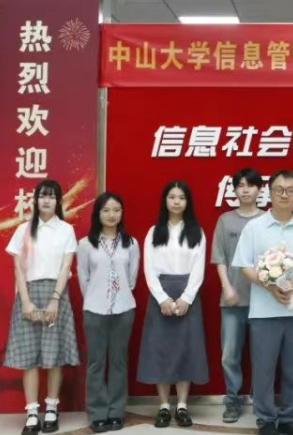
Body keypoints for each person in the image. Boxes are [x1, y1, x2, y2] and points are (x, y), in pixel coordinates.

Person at [233, 170, 293, 435]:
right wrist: (270, 286)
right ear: (269, 193)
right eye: (278, 190)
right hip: (264, 311)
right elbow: (244, 265)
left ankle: (288, 417)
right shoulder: (255, 227)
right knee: (264, 369)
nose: (284, 195)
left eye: (290, 190)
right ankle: (265, 419)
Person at [4, 180, 80, 435]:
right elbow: (18, 268)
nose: (46, 201)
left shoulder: (66, 230)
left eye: (51, 196)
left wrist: (55, 299)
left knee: (54, 354)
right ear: (35, 200)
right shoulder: (24, 230)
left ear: (58, 201)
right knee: (30, 358)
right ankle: (31, 412)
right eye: (42, 196)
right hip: (28, 293)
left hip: (56, 294)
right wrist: (25, 301)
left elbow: (66, 267)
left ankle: (51, 408)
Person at [136, 181, 208, 429]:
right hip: (161, 296)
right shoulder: (154, 232)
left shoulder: (197, 232)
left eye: (181, 197)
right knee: (161, 350)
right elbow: (148, 269)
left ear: (188, 202)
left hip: (188, 295)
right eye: (172, 197)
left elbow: (198, 269)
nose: (177, 202)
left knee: (186, 350)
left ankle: (183, 405)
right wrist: (162, 298)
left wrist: (187, 297)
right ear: (165, 201)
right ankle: (164, 405)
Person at [77, 192, 139, 434]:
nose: (111, 215)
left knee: (118, 362)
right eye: (106, 210)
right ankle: (97, 412)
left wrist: (117, 295)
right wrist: (96, 298)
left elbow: (132, 278)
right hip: (95, 310)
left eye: (116, 210)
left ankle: (116, 411)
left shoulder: (131, 243)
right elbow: (83, 277)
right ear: (98, 214)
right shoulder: (85, 244)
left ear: (122, 213)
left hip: (124, 309)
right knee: (95, 363)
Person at [212, 167, 265, 423]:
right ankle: (232, 400)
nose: (245, 190)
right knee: (229, 355)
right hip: (232, 300)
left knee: (262, 354)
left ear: (259, 189)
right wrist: (227, 287)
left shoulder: (267, 219)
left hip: (263, 301)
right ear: (234, 190)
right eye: (240, 185)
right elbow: (220, 258)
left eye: (250, 185)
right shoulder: (225, 220)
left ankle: (260, 399)